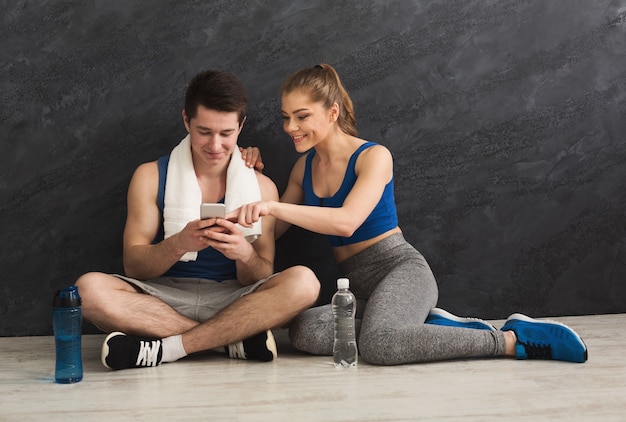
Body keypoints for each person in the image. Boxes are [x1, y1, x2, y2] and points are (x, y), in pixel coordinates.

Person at [234, 63, 588, 365]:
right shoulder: (303, 168)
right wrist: (249, 175)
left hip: (399, 270)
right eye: (286, 118)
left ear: (332, 112)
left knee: (379, 345)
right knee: (303, 331)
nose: (290, 127)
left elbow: (347, 221)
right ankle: (422, 329)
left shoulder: (374, 157)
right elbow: (272, 230)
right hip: (358, 288)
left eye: (301, 116)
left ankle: (511, 340)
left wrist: (273, 204)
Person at [75, 69, 320, 370]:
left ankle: (167, 348)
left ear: (241, 126)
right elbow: (134, 267)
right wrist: (179, 243)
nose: (215, 146)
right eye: (204, 131)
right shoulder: (150, 176)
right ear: (186, 121)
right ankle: (226, 342)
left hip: (235, 299)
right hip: (163, 298)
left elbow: (261, 275)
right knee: (87, 291)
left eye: (226, 134)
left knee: (305, 283)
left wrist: (243, 254)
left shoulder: (262, 187)